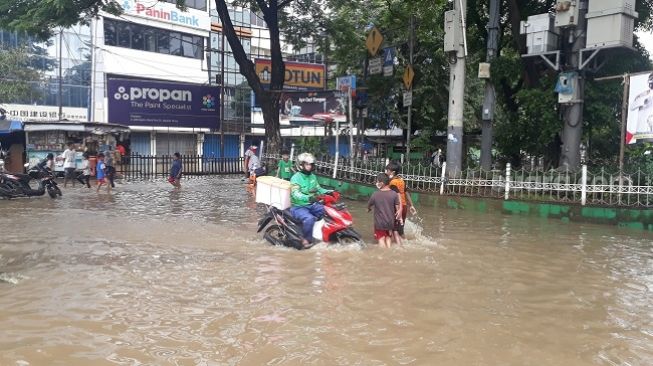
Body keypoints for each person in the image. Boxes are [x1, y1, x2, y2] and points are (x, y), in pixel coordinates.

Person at [290, 152, 333, 247]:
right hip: (298, 207)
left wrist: (329, 192)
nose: (309, 166)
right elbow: (295, 194)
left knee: (327, 211)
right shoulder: (296, 178)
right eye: (307, 164)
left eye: (311, 164)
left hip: (311, 205)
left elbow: (318, 189)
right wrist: (308, 198)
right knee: (309, 219)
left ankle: (324, 235)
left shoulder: (313, 176)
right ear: (301, 165)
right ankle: (306, 240)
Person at [368, 173, 402, 248]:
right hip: (390, 222)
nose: (376, 183)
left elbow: (369, 205)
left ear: (381, 183)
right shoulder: (394, 194)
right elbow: (397, 209)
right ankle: (389, 251)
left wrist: (368, 209)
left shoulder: (375, 194)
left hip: (380, 223)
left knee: (381, 239)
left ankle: (383, 255)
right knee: (388, 237)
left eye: (377, 181)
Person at [385, 161, 417, 239]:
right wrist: (411, 205)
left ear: (392, 172)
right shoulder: (401, 180)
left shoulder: (392, 182)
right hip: (404, 206)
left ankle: (392, 244)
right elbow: (406, 193)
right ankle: (403, 242)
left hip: (397, 207)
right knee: (400, 229)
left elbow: (392, 196)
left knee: (392, 228)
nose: (386, 172)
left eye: (387, 170)